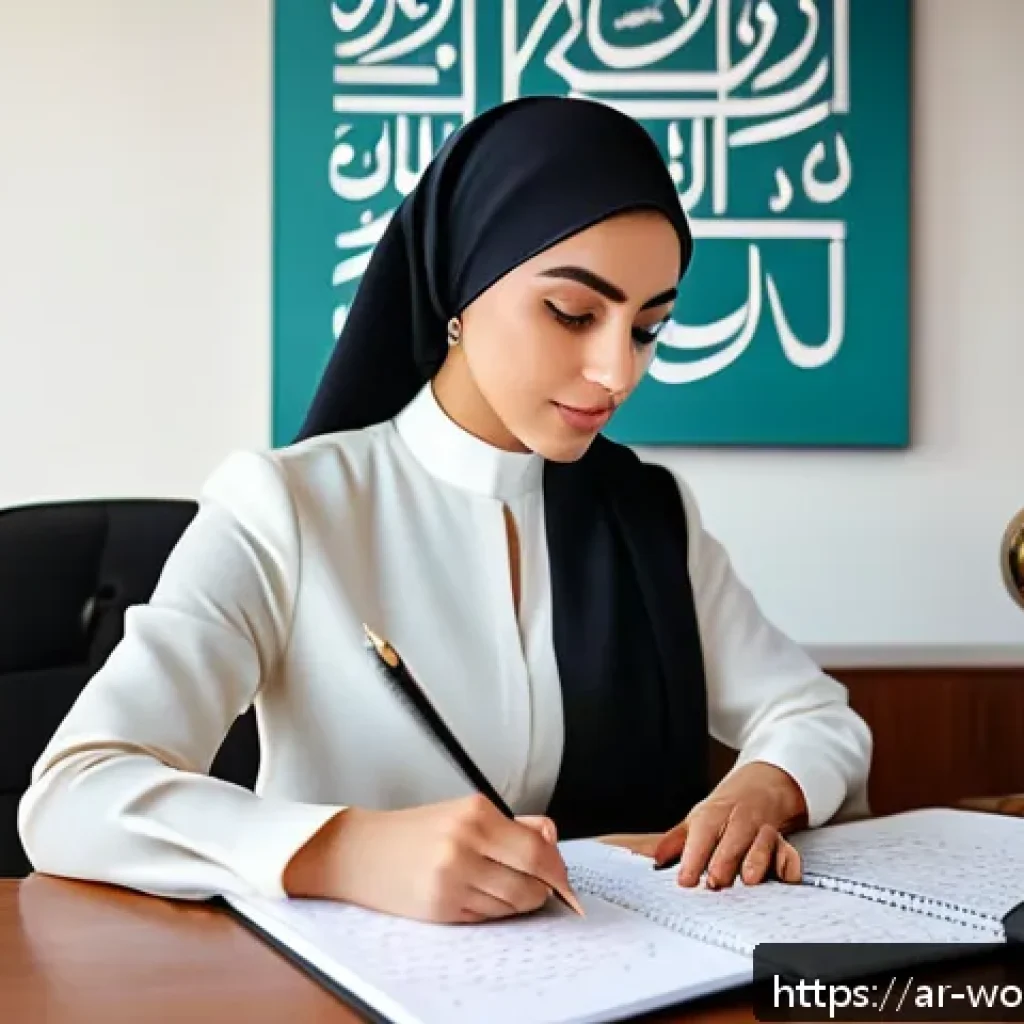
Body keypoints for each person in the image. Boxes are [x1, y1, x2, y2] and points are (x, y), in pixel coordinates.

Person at [18, 96, 871, 925]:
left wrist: (767, 784)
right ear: (460, 292)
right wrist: (346, 851)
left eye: (647, 328)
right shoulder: (287, 506)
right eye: (573, 313)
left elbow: (815, 718)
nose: (618, 371)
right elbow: (72, 793)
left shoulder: (650, 514)